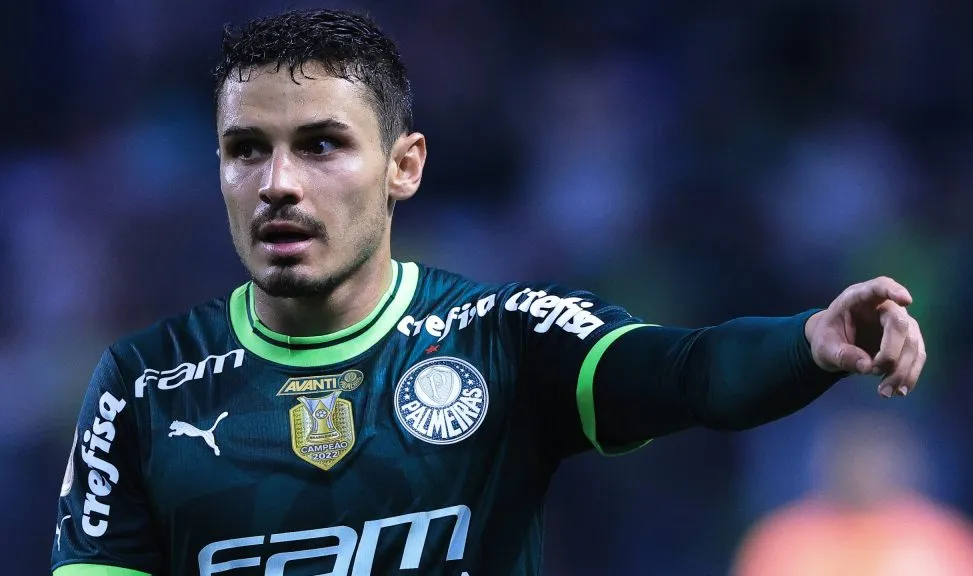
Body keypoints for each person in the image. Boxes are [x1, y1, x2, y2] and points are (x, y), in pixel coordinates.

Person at [50, 8, 927, 576]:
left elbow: (683, 370)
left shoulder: (499, 337)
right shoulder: (142, 384)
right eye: (247, 149)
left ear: (405, 165)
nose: (278, 182)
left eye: (321, 145)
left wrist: (805, 342)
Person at [732, 411, 973, 576]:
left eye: (877, 452)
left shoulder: (945, 540)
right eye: (855, 452)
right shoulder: (784, 538)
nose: (866, 465)